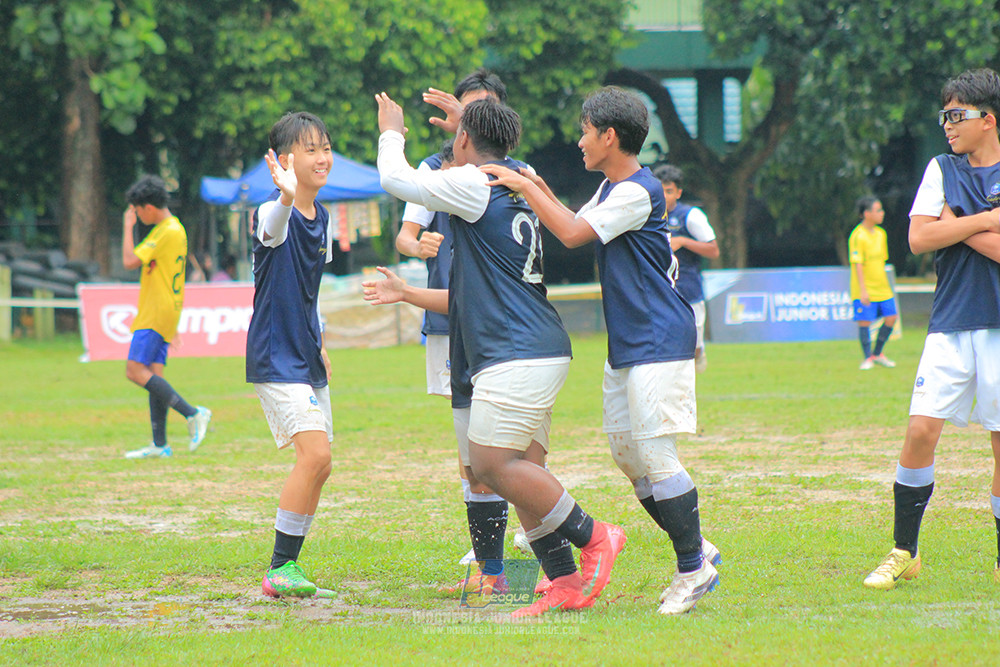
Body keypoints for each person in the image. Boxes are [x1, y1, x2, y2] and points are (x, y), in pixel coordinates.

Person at [369, 92, 626, 617]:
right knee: (523, 474)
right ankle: (565, 583)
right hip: (537, 347)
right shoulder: (519, 176)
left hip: (515, 353)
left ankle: (596, 535)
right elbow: (467, 291)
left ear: (463, 139)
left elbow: (396, 180)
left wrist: (392, 130)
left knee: (487, 464)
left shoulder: (473, 180)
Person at [481, 86, 721, 616]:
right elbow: (567, 211)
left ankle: (693, 567)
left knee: (655, 455)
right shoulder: (613, 186)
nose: (580, 140)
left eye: (586, 130)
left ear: (609, 136)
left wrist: (524, 184)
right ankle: (697, 547)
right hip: (631, 341)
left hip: (660, 339)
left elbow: (568, 232)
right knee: (627, 453)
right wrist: (527, 179)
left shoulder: (637, 190)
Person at [863, 68, 1000, 590]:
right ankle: (905, 550)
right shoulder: (941, 168)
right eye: (943, 115)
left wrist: (956, 224)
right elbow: (920, 238)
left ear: (988, 120)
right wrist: (986, 220)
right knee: (920, 431)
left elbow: (944, 233)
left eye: (956, 115)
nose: (946, 125)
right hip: (950, 322)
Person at [246, 111, 336, 598]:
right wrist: (283, 194)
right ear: (284, 161)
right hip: (276, 354)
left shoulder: (322, 216)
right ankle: (280, 567)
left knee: (322, 464)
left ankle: (287, 569)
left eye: (325, 147)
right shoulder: (269, 211)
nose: (322, 157)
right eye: (310, 149)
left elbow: (310, 290)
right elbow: (274, 227)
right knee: (314, 453)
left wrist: (320, 340)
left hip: (305, 352)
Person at [120, 175, 212, 459]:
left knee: (134, 370)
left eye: (136, 209)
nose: (136, 215)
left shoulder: (165, 231)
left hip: (155, 312)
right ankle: (160, 445)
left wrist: (127, 226)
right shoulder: (174, 229)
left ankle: (193, 413)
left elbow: (128, 261)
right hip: (165, 311)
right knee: (153, 375)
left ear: (147, 207)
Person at [652, 164, 719, 373]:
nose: (664, 196)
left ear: (678, 192)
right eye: (660, 190)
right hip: (660, 292)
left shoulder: (690, 216)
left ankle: (700, 351)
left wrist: (683, 241)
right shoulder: (645, 216)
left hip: (689, 290)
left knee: (694, 348)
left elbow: (713, 250)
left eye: (669, 191)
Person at [849, 196, 898, 370]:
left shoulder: (881, 234)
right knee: (864, 322)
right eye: (878, 210)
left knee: (891, 318)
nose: (882, 213)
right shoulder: (857, 236)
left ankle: (877, 353)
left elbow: (882, 262)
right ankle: (867, 358)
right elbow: (857, 264)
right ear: (867, 214)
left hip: (882, 287)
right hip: (865, 288)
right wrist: (863, 290)